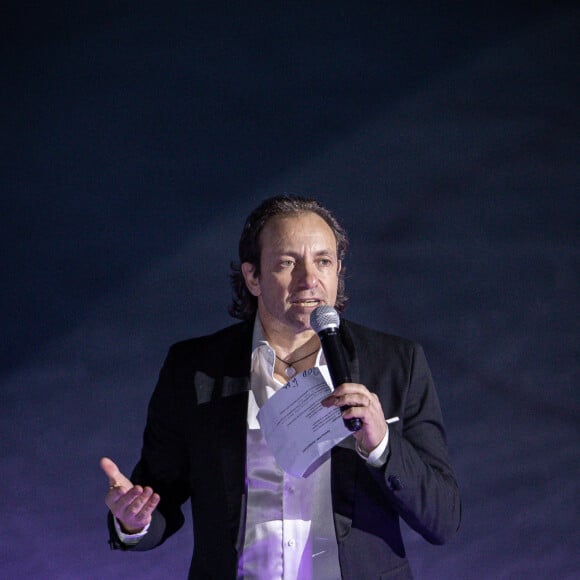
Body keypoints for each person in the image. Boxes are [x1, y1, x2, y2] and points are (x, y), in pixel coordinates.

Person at [101, 194, 461, 579]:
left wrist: (382, 446)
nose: (309, 279)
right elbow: (158, 497)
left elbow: (441, 518)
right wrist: (133, 521)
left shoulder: (395, 364)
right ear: (253, 277)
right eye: (288, 263)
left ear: (338, 270)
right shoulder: (194, 371)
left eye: (323, 261)